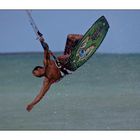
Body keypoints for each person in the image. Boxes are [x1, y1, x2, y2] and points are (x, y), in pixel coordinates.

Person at [26, 33, 83, 112]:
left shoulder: (47, 62)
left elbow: (46, 49)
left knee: (70, 37)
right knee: (59, 58)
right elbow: (40, 95)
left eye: (35, 73)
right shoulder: (47, 81)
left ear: (39, 69)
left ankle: (87, 38)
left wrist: (42, 41)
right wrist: (32, 104)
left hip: (67, 59)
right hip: (69, 68)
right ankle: (75, 53)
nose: (36, 76)